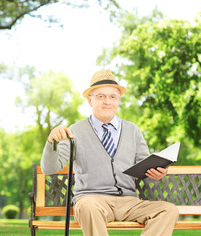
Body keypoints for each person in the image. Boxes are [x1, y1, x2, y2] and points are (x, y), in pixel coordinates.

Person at [41, 69, 179, 236]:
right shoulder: (74, 131)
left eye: (113, 97)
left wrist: (158, 173)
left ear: (118, 100)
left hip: (129, 202)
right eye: (100, 96)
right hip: (92, 200)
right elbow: (49, 169)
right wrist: (51, 143)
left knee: (168, 210)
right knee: (88, 207)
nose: (107, 101)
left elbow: (145, 168)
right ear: (90, 100)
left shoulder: (133, 130)